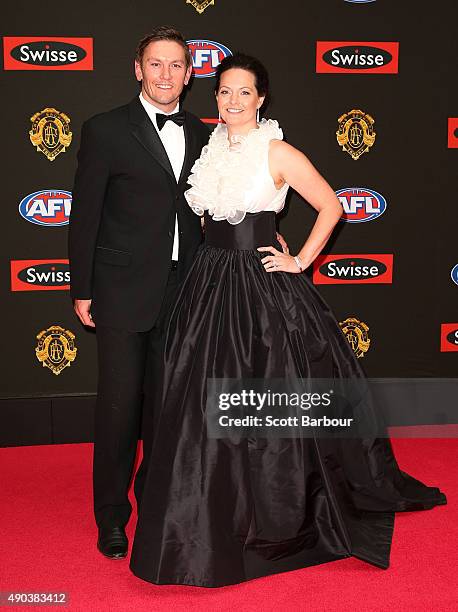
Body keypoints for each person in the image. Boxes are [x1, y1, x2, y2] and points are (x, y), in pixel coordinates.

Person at [129, 53, 447, 587]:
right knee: (195, 394)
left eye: (244, 92)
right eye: (225, 91)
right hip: (209, 279)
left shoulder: (276, 151)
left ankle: (272, 509)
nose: (233, 101)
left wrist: (299, 259)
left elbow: (332, 206)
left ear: (261, 99)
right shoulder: (211, 148)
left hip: (260, 289)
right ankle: (200, 504)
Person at [68, 26, 211, 559]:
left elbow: (213, 207)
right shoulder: (105, 129)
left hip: (185, 290)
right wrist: (82, 286)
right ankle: (111, 516)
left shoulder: (201, 131)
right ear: (138, 69)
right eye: (156, 64)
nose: (166, 74)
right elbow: (84, 216)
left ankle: (155, 501)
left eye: (176, 65)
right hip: (122, 289)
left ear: (190, 74)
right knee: (119, 409)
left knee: (167, 408)